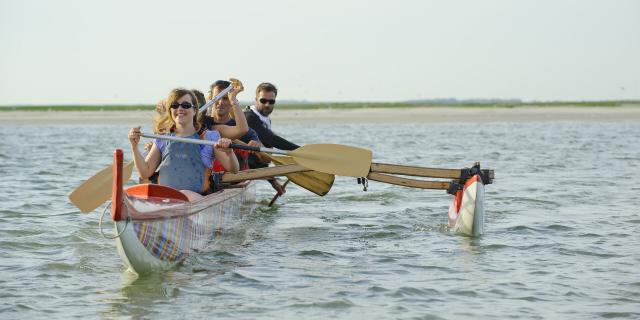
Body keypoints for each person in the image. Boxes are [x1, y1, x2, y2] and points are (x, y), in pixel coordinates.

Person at [128, 88, 239, 201]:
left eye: (185, 105)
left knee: (185, 194)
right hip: (166, 198)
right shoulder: (162, 139)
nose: (180, 108)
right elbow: (145, 172)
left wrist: (229, 152)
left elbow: (234, 169)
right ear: (171, 110)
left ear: (195, 110)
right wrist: (134, 147)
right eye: (175, 105)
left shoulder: (210, 138)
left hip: (196, 199)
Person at [200, 80, 269, 171]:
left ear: (232, 100)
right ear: (210, 98)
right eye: (217, 97)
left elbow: (266, 160)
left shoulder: (244, 129)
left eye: (225, 98)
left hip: (236, 177)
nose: (220, 102)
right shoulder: (202, 124)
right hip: (207, 176)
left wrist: (259, 148)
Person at [244, 82, 298, 195]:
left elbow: (263, 154)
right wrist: (299, 151)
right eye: (263, 101)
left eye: (271, 101)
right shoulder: (249, 118)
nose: (267, 104)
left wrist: (274, 182)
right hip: (239, 169)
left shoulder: (264, 119)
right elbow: (271, 139)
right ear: (255, 99)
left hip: (251, 168)